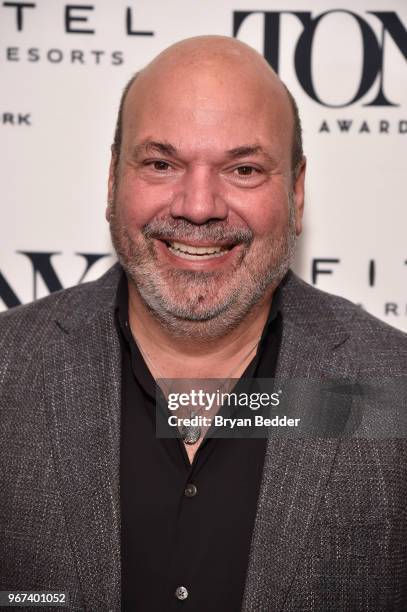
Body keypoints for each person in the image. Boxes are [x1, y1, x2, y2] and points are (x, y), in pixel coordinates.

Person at [1, 35, 406, 612]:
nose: (197, 206)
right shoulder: (7, 368)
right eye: (162, 163)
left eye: (243, 168)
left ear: (295, 190)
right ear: (114, 177)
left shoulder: (396, 388)